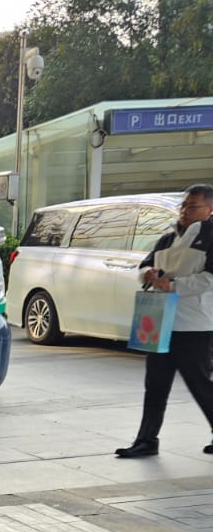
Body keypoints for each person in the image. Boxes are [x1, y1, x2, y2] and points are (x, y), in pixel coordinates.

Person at [115, 183, 213, 459]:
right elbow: (145, 264)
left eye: (192, 206)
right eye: (183, 205)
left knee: (200, 384)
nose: (185, 211)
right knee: (155, 384)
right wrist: (147, 274)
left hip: (194, 323)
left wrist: (173, 285)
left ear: (209, 209)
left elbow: (209, 279)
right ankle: (146, 440)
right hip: (159, 322)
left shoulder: (210, 237)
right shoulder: (168, 237)